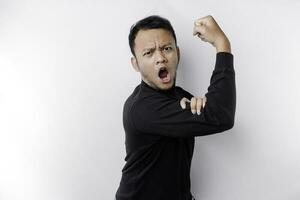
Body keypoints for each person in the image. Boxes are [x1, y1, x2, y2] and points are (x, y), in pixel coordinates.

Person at [115, 15, 236, 200]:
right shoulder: (142, 108)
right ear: (135, 64)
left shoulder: (181, 96)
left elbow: (215, 110)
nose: (161, 58)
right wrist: (222, 43)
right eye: (149, 53)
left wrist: (198, 106)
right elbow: (220, 115)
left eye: (167, 49)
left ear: (177, 53)